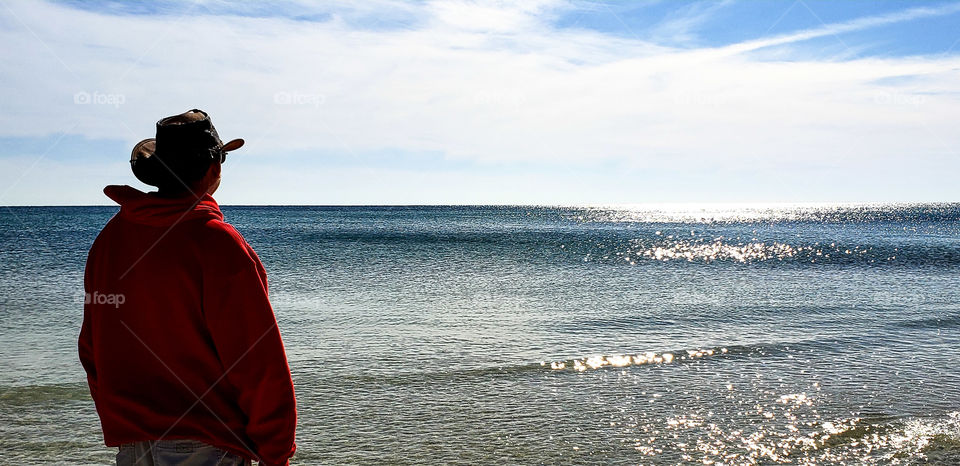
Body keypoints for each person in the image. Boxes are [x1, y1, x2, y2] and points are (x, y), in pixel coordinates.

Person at [79, 109, 297, 466]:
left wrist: (120, 419)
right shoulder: (216, 242)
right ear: (214, 170)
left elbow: (91, 347)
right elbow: (256, 361)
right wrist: (276, 453)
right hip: (207, 442)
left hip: (133, 443)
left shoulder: (110, 239)